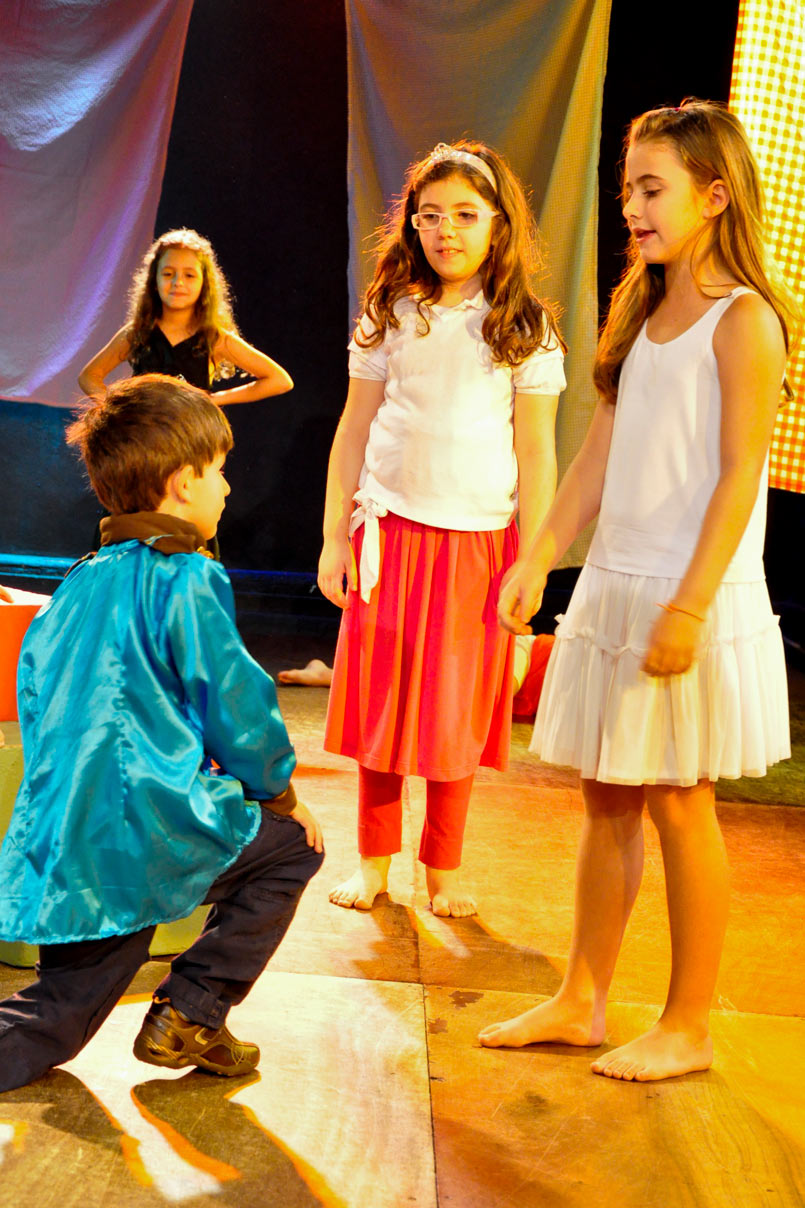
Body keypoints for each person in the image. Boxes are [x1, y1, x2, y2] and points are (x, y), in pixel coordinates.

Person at [479, 100, 793, 1081]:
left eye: (651, 189)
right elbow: (597, 460)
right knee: (606, 797)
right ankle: (581, 997)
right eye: (626, 190)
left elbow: (739, 476)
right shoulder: (642, 310)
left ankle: (687, 1022)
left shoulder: (745, 320)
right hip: (618, 580)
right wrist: (538, 556)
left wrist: (688, 607)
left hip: (688, 588)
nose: (632, 207)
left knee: (679, 801)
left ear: (714, 195)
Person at [0, 375, 324, 1093]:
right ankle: (190, 1011)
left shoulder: (76, 583)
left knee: (53, 1016)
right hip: (146, 836)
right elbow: (236, 703)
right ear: (182, 484)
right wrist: (279, 794)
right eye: (219, 471)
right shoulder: (185, 578)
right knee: (293, 849)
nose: (227, 488)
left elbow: (43, 706)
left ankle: (190, 1017)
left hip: (68, 842)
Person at [318, 140, 566, 917]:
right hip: (389, 537)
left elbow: (537, 450)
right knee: (382, 711)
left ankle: (443, 870)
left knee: (452, 716)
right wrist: (333, 536)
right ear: (411, 225)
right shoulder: (390, 313)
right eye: (429, 216)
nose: (445, 230)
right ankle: (373, 862)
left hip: (477, 549)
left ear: (497, 224)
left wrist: (534, 559)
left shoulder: (523, 327)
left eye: (464, 214)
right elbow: (354, 428)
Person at [78, 228, 293, 403]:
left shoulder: (214, 338)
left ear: (204, 283)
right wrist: (120, 410)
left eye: (189, 275)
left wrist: (213, 400)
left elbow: (279, 380)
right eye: (168, 274)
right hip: (141, 438)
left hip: (191, 438)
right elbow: (89, 376)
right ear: (154, 280)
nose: (178, 282)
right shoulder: (138, 332)